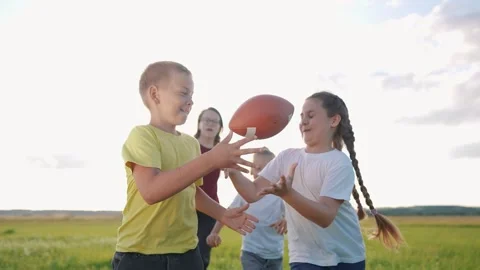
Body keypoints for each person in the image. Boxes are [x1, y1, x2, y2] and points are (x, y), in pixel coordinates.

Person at [111, 61, 263, 270]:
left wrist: (222, 214)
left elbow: (191, 192)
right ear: (155, 95)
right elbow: (151, 191)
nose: (190, 102)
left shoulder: (190, 143)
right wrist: (211, 159)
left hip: (187, 253)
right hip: (141, 254)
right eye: (183, 93)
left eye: (192, 96)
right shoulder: (142, 136)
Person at [228, 91, 405, 270]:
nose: (303, 121)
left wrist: (288, 195)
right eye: (301, 117)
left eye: (310, 116)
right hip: (304, 257)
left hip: (345, 258)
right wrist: (232, 170)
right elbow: (251, 193)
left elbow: (325, 216)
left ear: (333, 121)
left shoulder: (339, 162)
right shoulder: (286, 157)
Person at [206, 149, 287, 270]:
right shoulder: (244, 195)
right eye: (258, 168)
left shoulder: (280, 196)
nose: (261, 174)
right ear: (251, 170)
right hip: (251, 253)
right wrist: (214, 233)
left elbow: (292, 214)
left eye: (266, 171)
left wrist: (286, 220)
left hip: (275, 254)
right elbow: (227, 213)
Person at [193, 107, 225, 269]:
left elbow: (232, 172)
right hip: (186, 206)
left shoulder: (222, 151)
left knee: (201, 256)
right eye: (206, 120)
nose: (210, 124)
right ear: (199, 124)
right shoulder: (188, 145)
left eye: (215, 121)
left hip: (209, 209)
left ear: (220, 127)